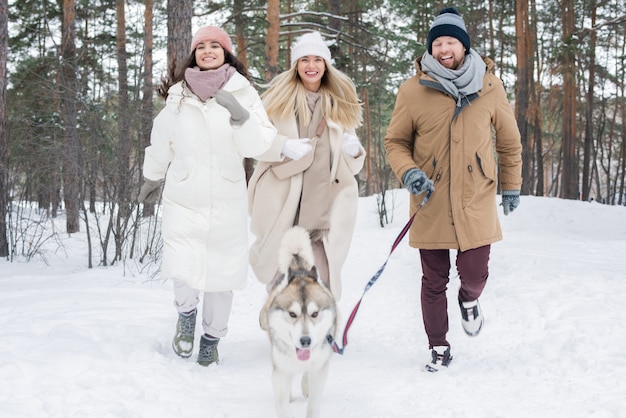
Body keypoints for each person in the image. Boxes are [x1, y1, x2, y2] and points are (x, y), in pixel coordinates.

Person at [384, 7, 523, 372]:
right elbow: (395, 142)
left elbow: (509, 142)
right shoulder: (412, 90)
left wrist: (511, 186)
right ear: (431, 49)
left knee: (476, 274)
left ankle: (468, 300)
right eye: (438, 43)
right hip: (429, 198)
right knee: (433, 280)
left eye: (451, 41)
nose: (444, 48)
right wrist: (409, 172)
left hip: (475, 196)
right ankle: (439, 346)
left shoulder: (490, 86)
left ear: (463, 45)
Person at [137, 25, 276, 366]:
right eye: (202, 46)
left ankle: (212, 339)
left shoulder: (243, 92)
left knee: (221, 275)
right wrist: (152, 177)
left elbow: (261, 144)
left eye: (216, 45)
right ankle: (186, 318)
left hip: (226, 199)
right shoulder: (179, 95)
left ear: (226, 53)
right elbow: (162, 139)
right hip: (183, 195)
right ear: (195, 54)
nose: (208, 50)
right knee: (182, 265)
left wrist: (241, 119)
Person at [248, 31, 364, 302]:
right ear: (296, 66)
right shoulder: (278, 101)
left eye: (317, 60)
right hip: (285, 199)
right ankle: (281, 325)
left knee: (324, 271)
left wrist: (354, 150)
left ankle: (323, 326)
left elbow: (353, 163)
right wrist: (282, 146)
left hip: (324, 203)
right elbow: (255, 143)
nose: (311, 66)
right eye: (305, 60)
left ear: (326, 65)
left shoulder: (339, 104)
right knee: (280, 269)